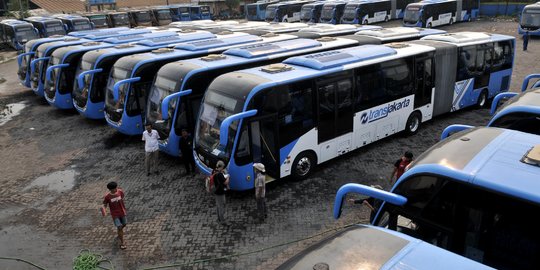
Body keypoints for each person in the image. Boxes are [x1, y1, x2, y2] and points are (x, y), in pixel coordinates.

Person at [102, 181, 127, 250]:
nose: (116, 189)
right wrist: (103, 208)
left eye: (116, 188)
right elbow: (105, 203)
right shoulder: (107, 197)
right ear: (110, 189)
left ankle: (119, 232)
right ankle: (122, 243)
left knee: (124, 224)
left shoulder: (120, 192)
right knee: (119, 227)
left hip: (122, 212)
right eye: (114, 188)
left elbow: (122, 196)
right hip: (115, 214)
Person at [214, 160, 229, 226]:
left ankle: (219, 218)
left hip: (216, 191)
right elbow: (225, 182)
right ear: (221, 167)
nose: (223, 168)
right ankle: (222, 221)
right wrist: (228, 177)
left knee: (218, 205)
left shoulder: (214, 171)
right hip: (220, 192)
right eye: (223, 167)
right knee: (222, 206)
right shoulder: (220, 174)